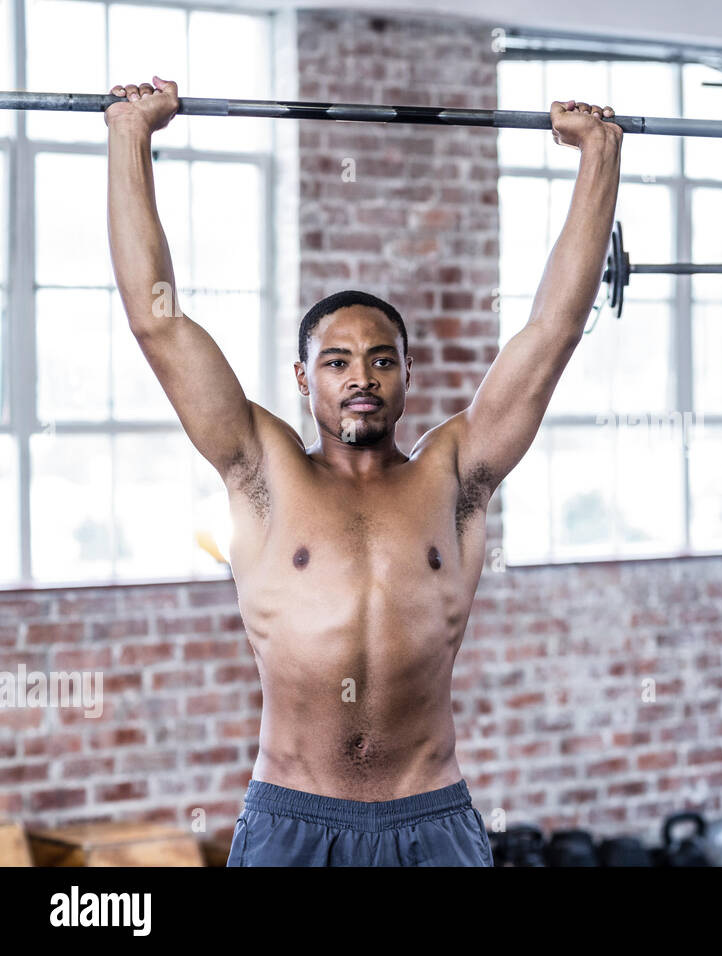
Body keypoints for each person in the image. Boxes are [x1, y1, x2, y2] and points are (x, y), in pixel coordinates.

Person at [105, 76, 623, 866]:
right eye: (338, 360)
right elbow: (157, 321)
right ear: (303, 378)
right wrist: (129, 137)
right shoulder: (262, 469)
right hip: (291, 821)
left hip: (431, 820)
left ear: (409, 375)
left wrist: (598, 157)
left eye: (382, 361)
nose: (362, 377)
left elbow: (553, 330)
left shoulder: (457, 474)